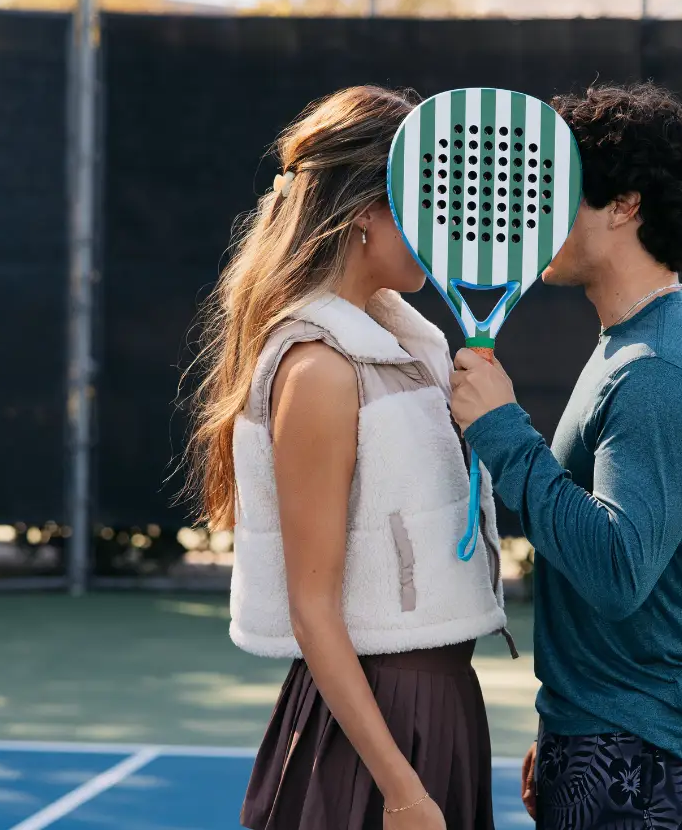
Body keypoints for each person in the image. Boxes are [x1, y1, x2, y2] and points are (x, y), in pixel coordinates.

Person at [184, 86, 510, 830]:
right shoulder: (321, 369)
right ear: (366, 210)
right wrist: (400, 788)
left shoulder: (408, 349)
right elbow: (313, 610)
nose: (448, 226)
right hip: (373, 729)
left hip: (439, 706)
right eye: (428, 202)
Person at [450, 84, 682, 830]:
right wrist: (568, 731)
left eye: (556, 194)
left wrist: (501, 432)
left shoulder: (657, 370)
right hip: (615, 740)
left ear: (625, 204)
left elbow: (618, 569)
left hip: (647, 754)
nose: (533, 216)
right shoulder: (633, 346)